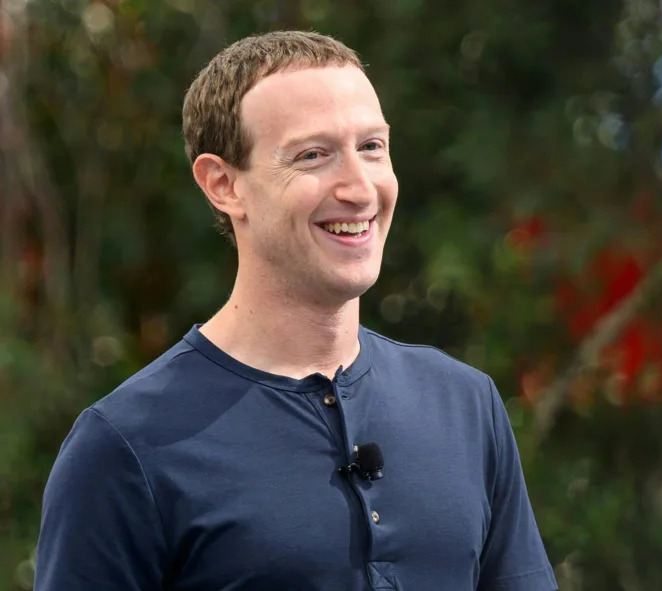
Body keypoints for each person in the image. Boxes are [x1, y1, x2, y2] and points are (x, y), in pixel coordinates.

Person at [34, 31, 557, 591]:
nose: (360, 188)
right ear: (223, 184)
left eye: (372, 147)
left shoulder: (465, 404)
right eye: (314, 155)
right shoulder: (123, 447)